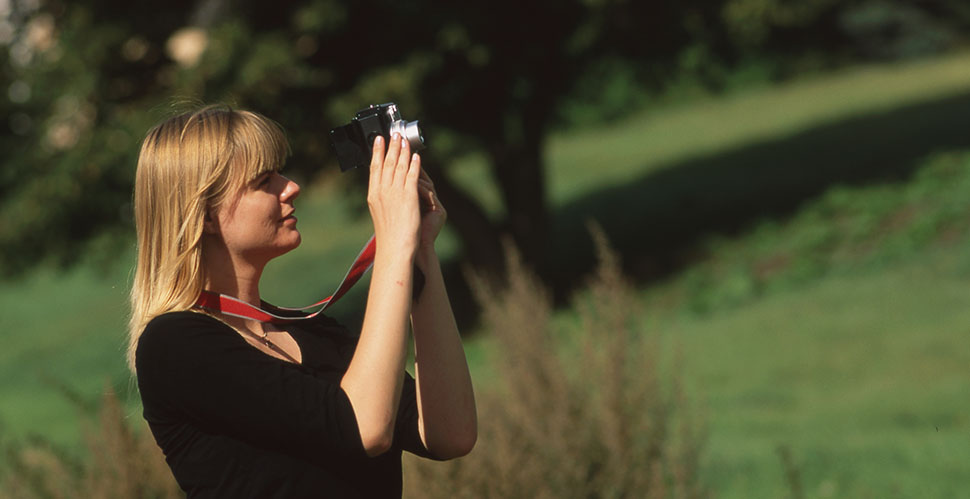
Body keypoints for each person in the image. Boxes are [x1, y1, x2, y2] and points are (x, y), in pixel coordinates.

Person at [128, 106, 477, 498]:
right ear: (205, 215)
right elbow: (365, 428)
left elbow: (450, 433)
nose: (290, 187)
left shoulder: (317, 334)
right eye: (264, 181)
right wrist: (393, 240)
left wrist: (421, 247)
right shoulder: (175, 345)